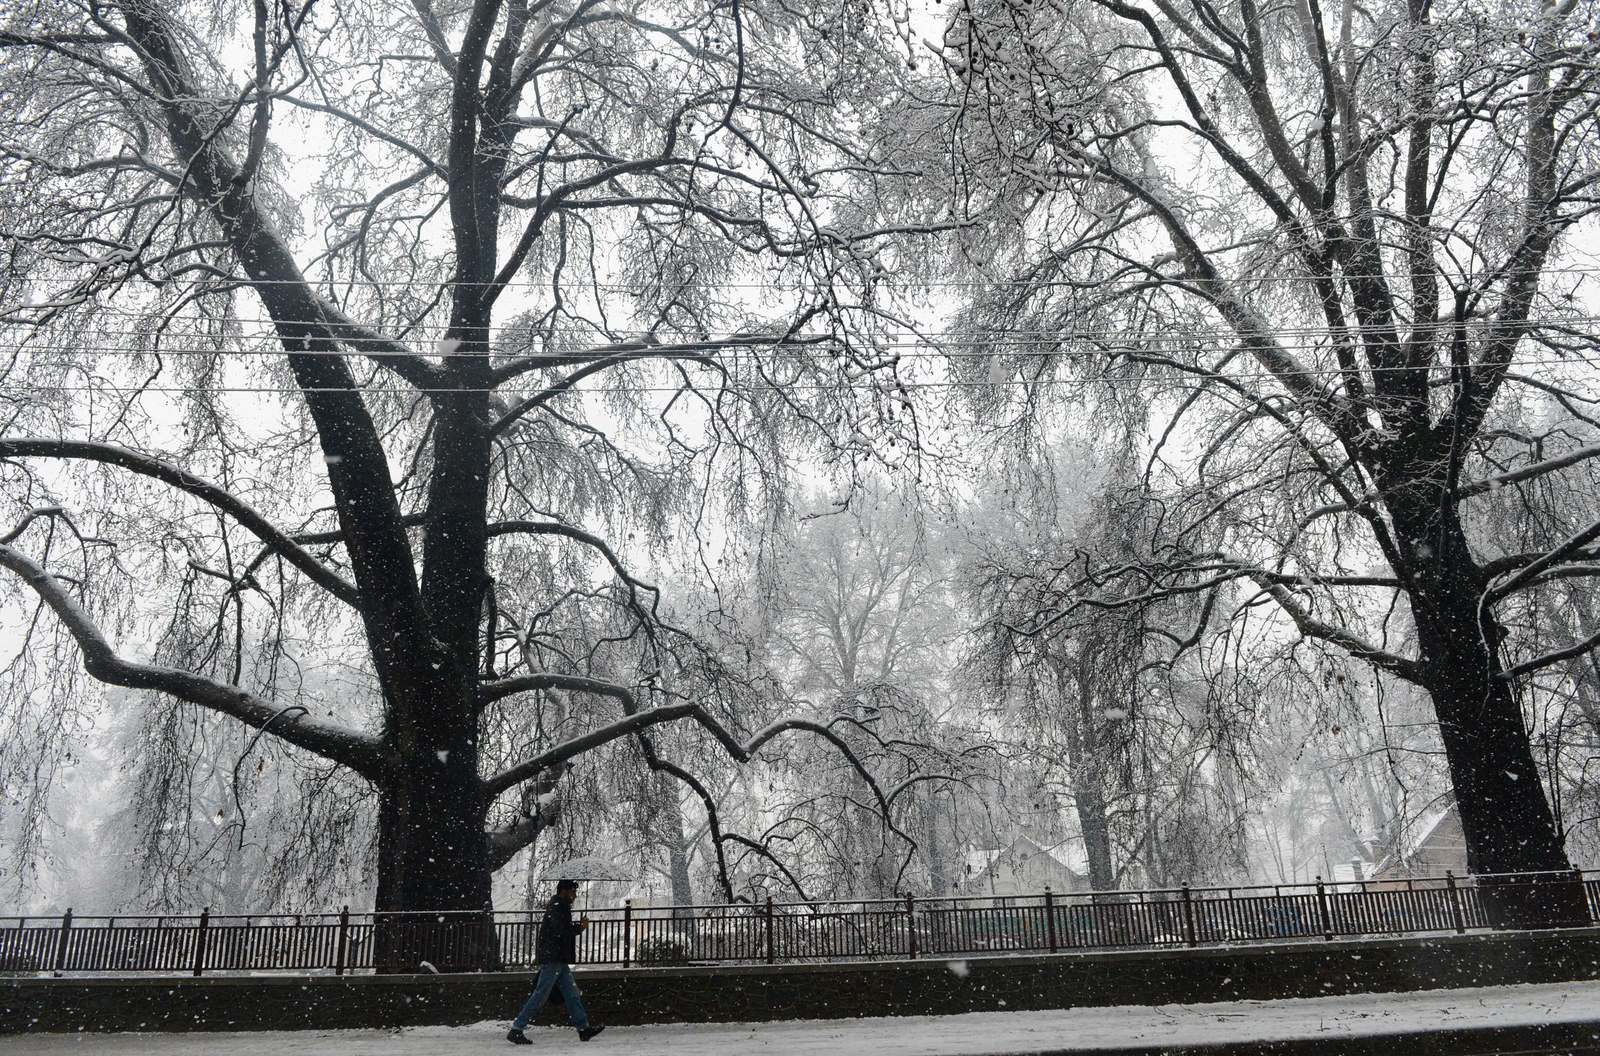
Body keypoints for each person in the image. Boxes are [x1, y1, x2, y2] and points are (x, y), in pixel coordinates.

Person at [507, 878, 606, 1044]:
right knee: (540, 994)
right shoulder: (557, 906)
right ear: (564, 891)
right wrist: (580, 927)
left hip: (558, 958)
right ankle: (517, 1029)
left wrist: (577, 927)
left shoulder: (561, 906)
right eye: (573, 891)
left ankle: (584, 1029)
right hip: (553, 958)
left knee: (572, 994)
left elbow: (561, 930)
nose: (575, 895)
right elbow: (560, 931)